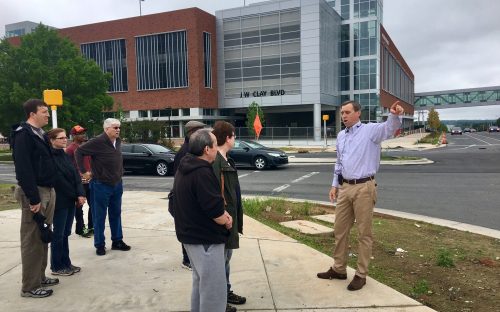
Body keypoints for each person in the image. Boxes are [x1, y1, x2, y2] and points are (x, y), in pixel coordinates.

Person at [317, 100, 404, 291]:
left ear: (358, 113)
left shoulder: (370, 131)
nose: (344, 116)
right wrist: (334, 185)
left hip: (364, 187)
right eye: (342, 113)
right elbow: (339, 162)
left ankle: (361, 274)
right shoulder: (341, 136)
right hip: (345, 187)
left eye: (347, 112)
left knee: (364, 233)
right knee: (340, 230)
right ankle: (339, 268)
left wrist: (394, 115)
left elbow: (390, 129)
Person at [172, 128, 233, 312]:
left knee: (200, 284)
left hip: (190, 237)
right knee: (214, 290)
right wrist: (226, 219)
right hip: (205, 240)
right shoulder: (202, 173)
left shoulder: (185, 166)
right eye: (215, 145)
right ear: (207, 149)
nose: (216, 149)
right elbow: (214, 209)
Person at [11, 99, 58, 298]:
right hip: (36, 193)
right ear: (32, 114)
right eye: (44, 112)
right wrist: (33, 198)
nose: (47, 115)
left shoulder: (40, 135)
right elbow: (23, 169)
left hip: (48, 189)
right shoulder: (24, 135)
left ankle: (40, 277)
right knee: (32, 239)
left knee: (44, 235)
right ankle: (29, 286)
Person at [75, 118, 131, 256]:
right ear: (106, 129)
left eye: (119, 127)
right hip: (101, 184)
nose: (118, 130)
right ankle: (99, 244)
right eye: (115, 127)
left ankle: (117, 240)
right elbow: (79, 152)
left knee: (116, 213)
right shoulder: (98, 141)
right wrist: (83, 171)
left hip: (117, 184)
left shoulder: (117, 141)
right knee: (99, 216)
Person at [211, 121, 246, 312]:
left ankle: (226, 291)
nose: (235, 138)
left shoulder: (226, 159)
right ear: (227, 138)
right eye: (234, 135)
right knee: (220, 261)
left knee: (225, 259)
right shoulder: (216, 161)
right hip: (223, 220)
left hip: (230, 218)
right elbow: (215, 193)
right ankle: (219, 301)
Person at [46, 128, 86, 276]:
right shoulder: (49, 157)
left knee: (65, 233)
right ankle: (57, 266)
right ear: (51, 140)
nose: (64, 140)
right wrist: (75, 194)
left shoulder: (64, 155)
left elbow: (75, 175)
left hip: (70, 200)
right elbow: (59, 181)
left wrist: (80, 193)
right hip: (60, 201)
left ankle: (66, 262)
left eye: (65, 137)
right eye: (60, 138)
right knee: (59, 234)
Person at [172, 120, 206, 270]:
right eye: (200, 130)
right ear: (191, 132)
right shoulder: (185, 152)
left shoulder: (193, 149)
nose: (203, 133)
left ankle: (191, 257)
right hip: (185, 198)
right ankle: (187, 259)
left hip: (190, 196)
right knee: (188, 229)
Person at [66, 125, 93, 238]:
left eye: (83, 133)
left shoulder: (86, 147)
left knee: (93, 205)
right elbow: (67, 167)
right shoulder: (71, 149)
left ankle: (92, 226)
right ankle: (80, 229)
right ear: (74, 136)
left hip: (90, 181)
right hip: (79, 183)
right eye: (80, 133)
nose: (83, 135)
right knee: (79, 206)